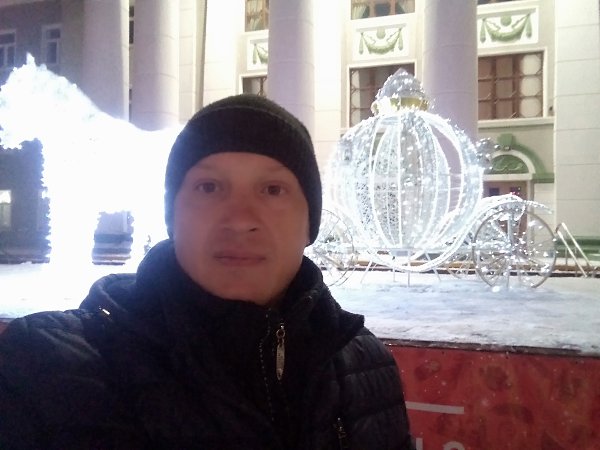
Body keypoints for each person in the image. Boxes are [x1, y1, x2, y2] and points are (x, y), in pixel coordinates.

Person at [0, 94, 415, 449]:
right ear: (172, 216)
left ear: (310, 224)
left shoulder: (366, 364)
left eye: (273, 189)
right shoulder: (42, 368)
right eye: (209, 187)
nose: (240, 219)